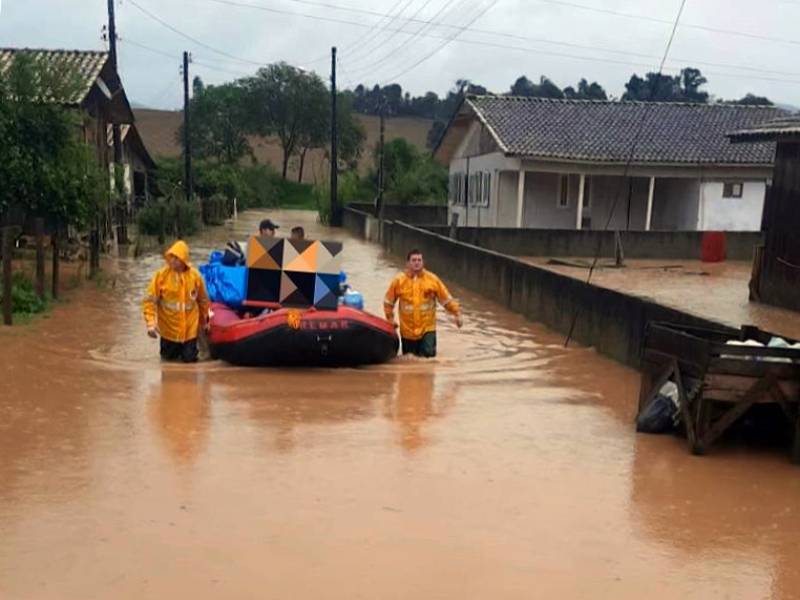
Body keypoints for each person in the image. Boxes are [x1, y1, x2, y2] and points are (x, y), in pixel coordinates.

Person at [384, 249, 462, 358]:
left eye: (419, 260)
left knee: (428, 356)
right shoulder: (399, 281)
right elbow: (388, 302)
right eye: (414, 260)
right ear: (407, 263)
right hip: (407, 330)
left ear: (423, 262)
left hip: (427, 328)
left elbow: (446, 299)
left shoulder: (432, 280)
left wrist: (457, 313)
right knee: (409, 359)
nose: (417, 262)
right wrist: (390, 319)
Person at [143, 240, 210, 363]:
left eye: (176, 257)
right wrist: (150, 324)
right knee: (168, 361)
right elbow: (149, 301)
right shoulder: (161, 276)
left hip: (189, 331)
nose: (173, 260)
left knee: (189, 361)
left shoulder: (195, 276)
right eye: (171, 256)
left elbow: (203, 301)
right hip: (169, 330)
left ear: (184, 259)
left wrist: (205, 322)